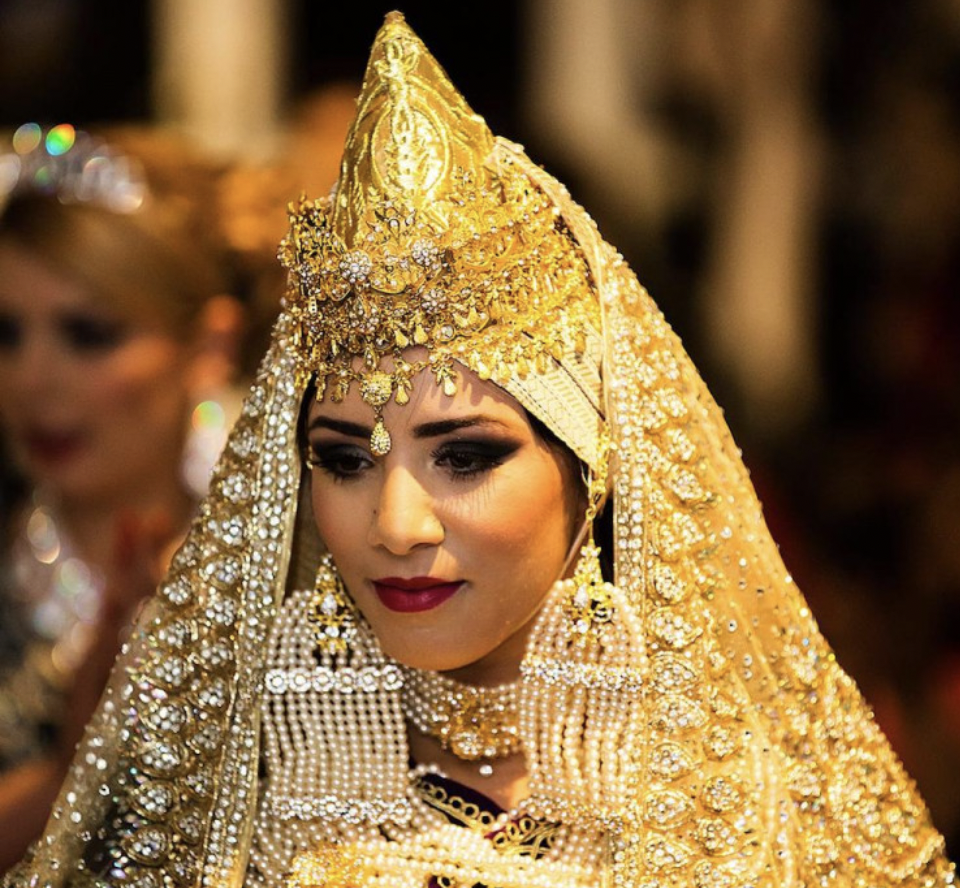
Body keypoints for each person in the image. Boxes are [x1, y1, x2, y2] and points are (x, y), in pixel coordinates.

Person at [5, 13, 955, 887]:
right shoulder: (218, 776)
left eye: (463, 457)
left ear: (593, 472)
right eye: (343, 459)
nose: (394, 524)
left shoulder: (743, 807)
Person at [0, 122, 260, 869]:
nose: (32, 378)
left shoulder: (305, 558)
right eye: (6, 332)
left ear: (207, 348)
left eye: (88, 334)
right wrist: (70, 772)